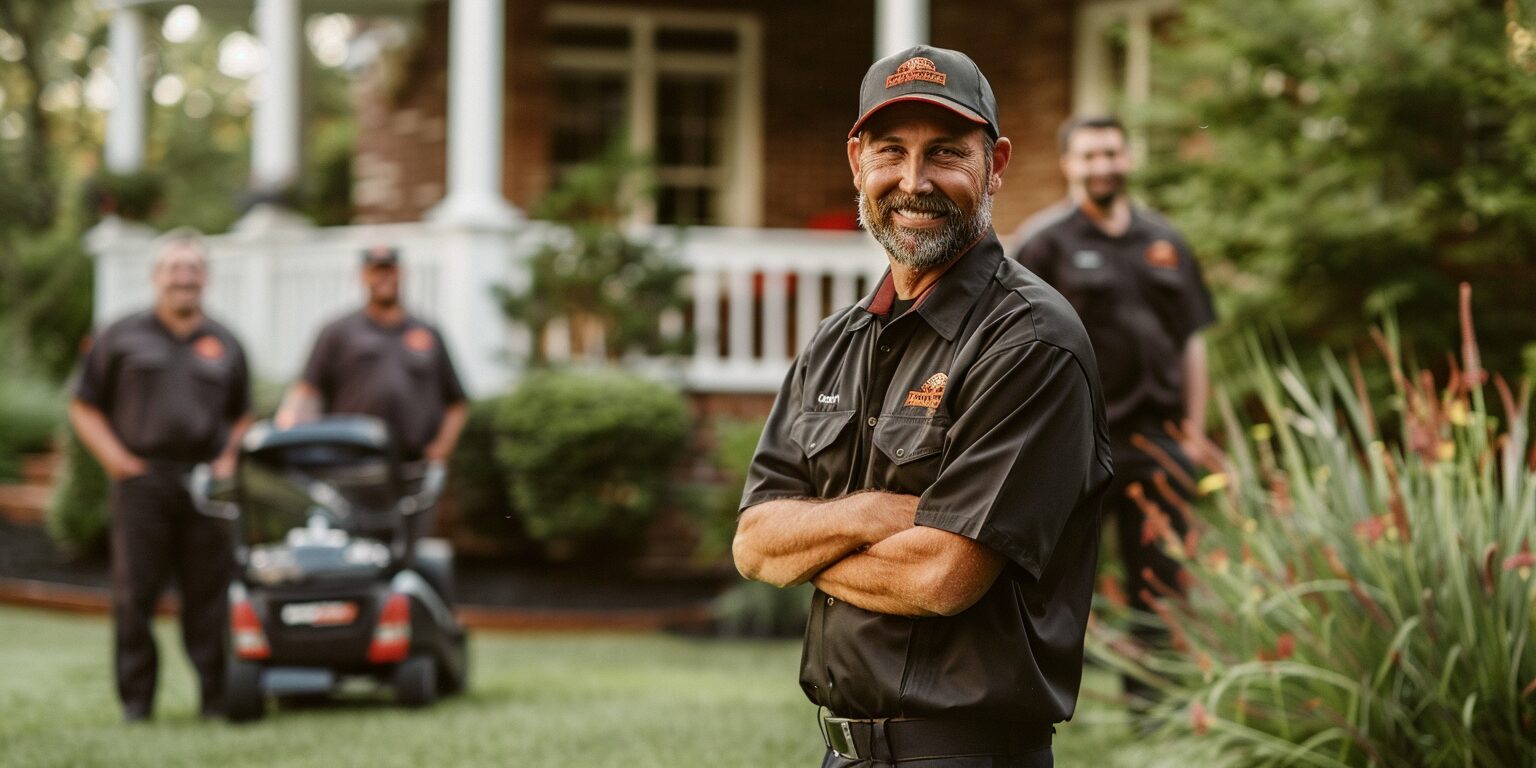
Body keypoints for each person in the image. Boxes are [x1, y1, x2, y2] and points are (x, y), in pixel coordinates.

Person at [733, 46, 1113, 767]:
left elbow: (941, 577)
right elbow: (753, 543)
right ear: (856, 161)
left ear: (996, 163)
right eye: (890, 151)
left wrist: (807, 545)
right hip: (842, 753)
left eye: (945, 152)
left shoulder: (1031, 342)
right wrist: (874, 515)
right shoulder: (836, 342)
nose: (913, 182)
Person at [1011, 115, 1217, 706]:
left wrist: (1194, 434)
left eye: (1111, 153)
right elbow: (1016, 347)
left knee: (1162, 583)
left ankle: (1157, 711)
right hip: (1078, 445)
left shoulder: (1166, 242)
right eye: (1089, 156)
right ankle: (1032, 700)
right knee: (1055, 577)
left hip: (1159, 444)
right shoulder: (1043, 243)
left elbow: (1192, 342)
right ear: (1067, 165)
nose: (1102, 166)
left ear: (1127, 158)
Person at [69, 228, 253, 722]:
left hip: (203, 485)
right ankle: (137, 702)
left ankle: (214, 700)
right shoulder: (120, 334)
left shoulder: (226, 342)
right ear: (156, 277)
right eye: (174, 269)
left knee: (208, 595)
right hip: (142, 483)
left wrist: (228, 458)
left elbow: (243, 415)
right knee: (135, 594)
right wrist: (117, 461)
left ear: (205, 279)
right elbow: (84, 406)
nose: (184, 278)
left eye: (192, 269)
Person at [275, 245, 468, 468]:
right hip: (351, 461)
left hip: (414, 462)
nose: (383, 277)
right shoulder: (338, 331)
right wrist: (286, 427)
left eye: (390, 270)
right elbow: (307, 389)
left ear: (401, 273)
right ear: (363, 276)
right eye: (376, 271)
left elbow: (456, 403)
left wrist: (442, 448)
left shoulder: (426, 332)